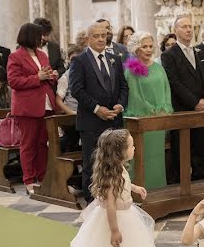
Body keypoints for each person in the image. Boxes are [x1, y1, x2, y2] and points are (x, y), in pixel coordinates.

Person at [67, 129, 163, 247]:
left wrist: (135, 188)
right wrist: (114, 230)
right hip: (115, 219)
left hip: (126, 214)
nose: (134, 148)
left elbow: (124, 182)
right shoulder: (112, 176)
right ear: (120, 151)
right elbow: (110, 205)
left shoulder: (119, 169)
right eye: (131, 146)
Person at [69, 22, 129, 203]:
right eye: (96, 36)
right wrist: (97, 109)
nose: (101, 39)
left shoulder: (115, 59)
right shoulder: (80, 61)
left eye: (104, 35)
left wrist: (120, 104)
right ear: (88, 39)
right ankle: (92, 201)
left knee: (115, 162)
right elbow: (77, 90)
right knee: (92, 163)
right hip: (91, 121)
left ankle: (115, 197)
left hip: (114, 121)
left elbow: (123, 87)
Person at [160, 14, 204, 182]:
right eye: (184, 27)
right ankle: (180, 185)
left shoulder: (198, 51)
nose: (189, 29)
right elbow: (174, 82)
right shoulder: (169, 55)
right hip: (182, 109)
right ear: (175, 31)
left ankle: (199, 180)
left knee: (199, 147)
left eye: (190, 26)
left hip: (202, 109)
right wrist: (194, 102)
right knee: (181, 150)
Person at [6, 23, 58, 194]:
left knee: (43, 143)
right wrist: (37, 77)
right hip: (27, 107)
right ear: (30, 36)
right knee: (28, 144)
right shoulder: (15, 56)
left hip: (46, 104)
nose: (42, 38)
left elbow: (46, 77)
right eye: (39, 35)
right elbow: (14, 82)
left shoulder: (42, 55)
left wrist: (51, 76)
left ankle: (42, 178)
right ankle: (28, 180)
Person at [123, 31, 173, 189]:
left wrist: (164, 108)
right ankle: (140, 190)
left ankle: (158, 189)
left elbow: (166, 90)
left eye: (151, 46)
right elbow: (136, 96)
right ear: (137, 49)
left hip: (159, 120)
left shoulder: (158, 68)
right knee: (141, 157)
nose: (148, 49)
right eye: (144, 46)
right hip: (142, 119)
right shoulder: (132, 70)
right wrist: (152, 110)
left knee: (157, 156)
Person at [55, 44, 85, 153]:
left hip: (85, 114)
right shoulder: (65, 77)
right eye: (73, 60)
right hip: (71, 115)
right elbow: (58, 100)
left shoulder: (87, 75)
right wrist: (71, 112)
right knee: (71, 141)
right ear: (68, 60)